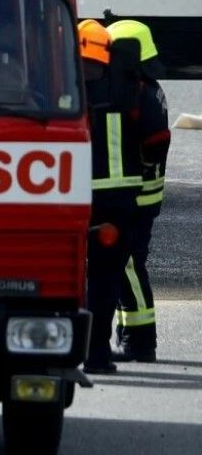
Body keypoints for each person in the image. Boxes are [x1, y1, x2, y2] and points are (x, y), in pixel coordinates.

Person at [78, 19, 140, 374]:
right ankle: (97, 354)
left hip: (72, 201)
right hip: (116, 204)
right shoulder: (127, 88)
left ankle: (61, 348)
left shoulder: (59, 87)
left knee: (67, 276)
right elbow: (155, 140)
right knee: (105, 280)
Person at [107, 20, 171, 363]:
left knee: (129, 266)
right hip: (144, 195)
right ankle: (128, 333)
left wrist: (138, 168)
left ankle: (140, 341)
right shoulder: (147, 86)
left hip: (137, 197)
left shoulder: (141, 92)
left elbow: (156, 143)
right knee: (126, 266)